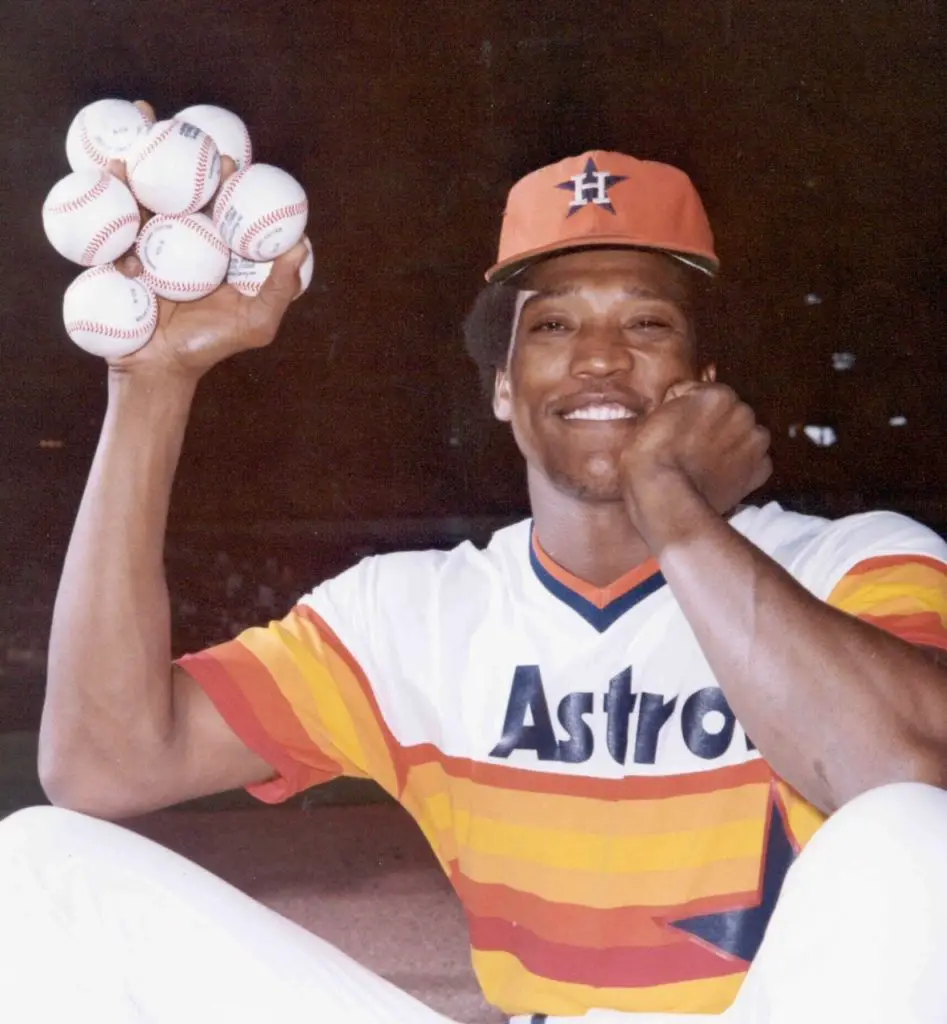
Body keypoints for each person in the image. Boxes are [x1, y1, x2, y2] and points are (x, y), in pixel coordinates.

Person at [1, 148, 946, 1024]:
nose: (600, 355)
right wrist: (150, 385)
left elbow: (910, 781)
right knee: (36, 867)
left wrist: (672, 506)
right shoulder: (411, 615)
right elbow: (102, 764)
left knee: (914, 832)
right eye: (554, 324)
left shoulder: (853, 567)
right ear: (502, 385)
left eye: (645, 321)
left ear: (704, 377)